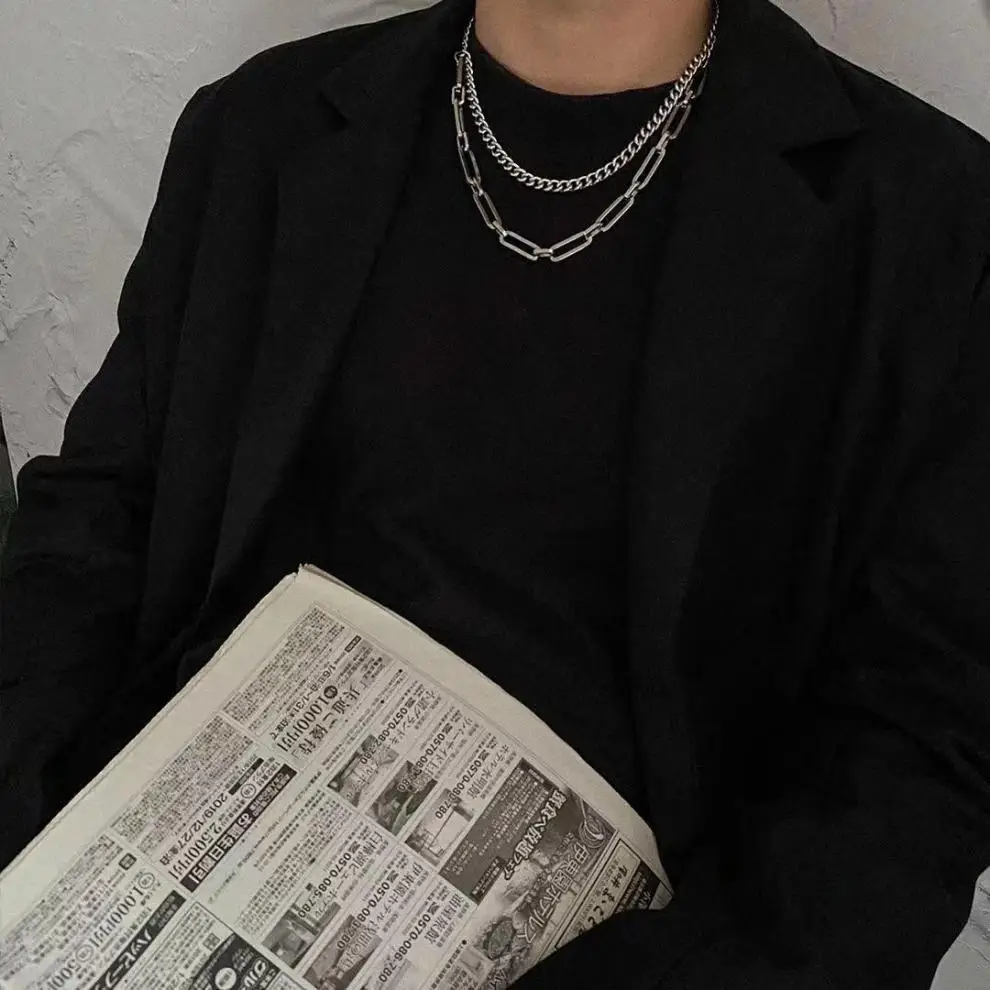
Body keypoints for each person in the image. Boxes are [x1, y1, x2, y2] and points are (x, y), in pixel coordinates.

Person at [1, 0, 988, 985]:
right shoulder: (260, 125)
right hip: (168, 874)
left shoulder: (933, 222)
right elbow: (88, 531)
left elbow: (916, 752)